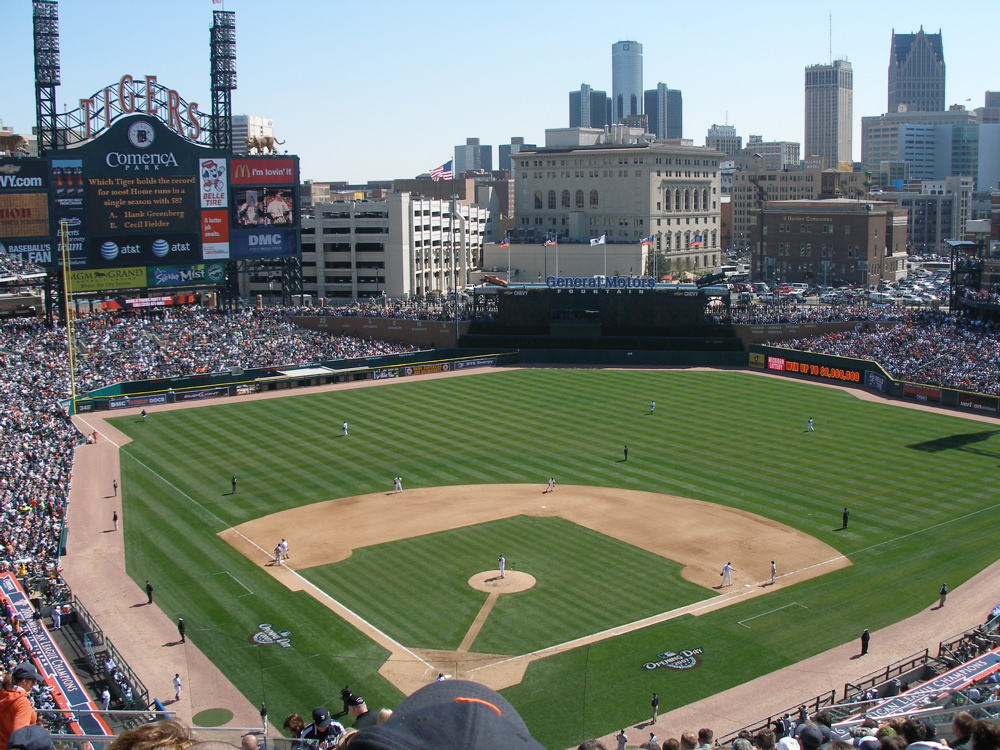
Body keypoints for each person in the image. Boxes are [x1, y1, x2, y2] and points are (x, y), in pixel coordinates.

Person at [0, 661, 43, 750]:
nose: (35, 684)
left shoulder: (3, 694)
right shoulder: (22, 703)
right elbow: (19, 738)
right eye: (33, 681)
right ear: (25, 681)